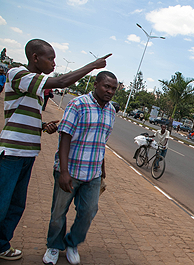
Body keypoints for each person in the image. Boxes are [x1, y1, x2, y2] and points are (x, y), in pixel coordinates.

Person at [0, 39, 111, 261]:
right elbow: (61, 81)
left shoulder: (36, 85)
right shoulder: (18, 74)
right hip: (12, 152)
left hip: (29, 153)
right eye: (50, 58)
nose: (53, 63)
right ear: (34, 58)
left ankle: (2, 245)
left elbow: (20, 113)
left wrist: (43, 126)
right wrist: (92, 66)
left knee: (16, 204)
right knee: (2, 203)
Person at [42, 71, 118, 265]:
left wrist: (102, 169)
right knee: (58, 214)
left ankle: (72, 243)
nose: (110, 91)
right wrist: (64, 171)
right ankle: (53, 246)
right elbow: (65, 136)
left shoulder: (111, 111)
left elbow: (102, 142)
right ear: (96, 84)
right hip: (70, 169)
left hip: (92, 173)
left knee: (88, 212)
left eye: (113, 88)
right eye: (106, 86)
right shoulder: (78, 104)